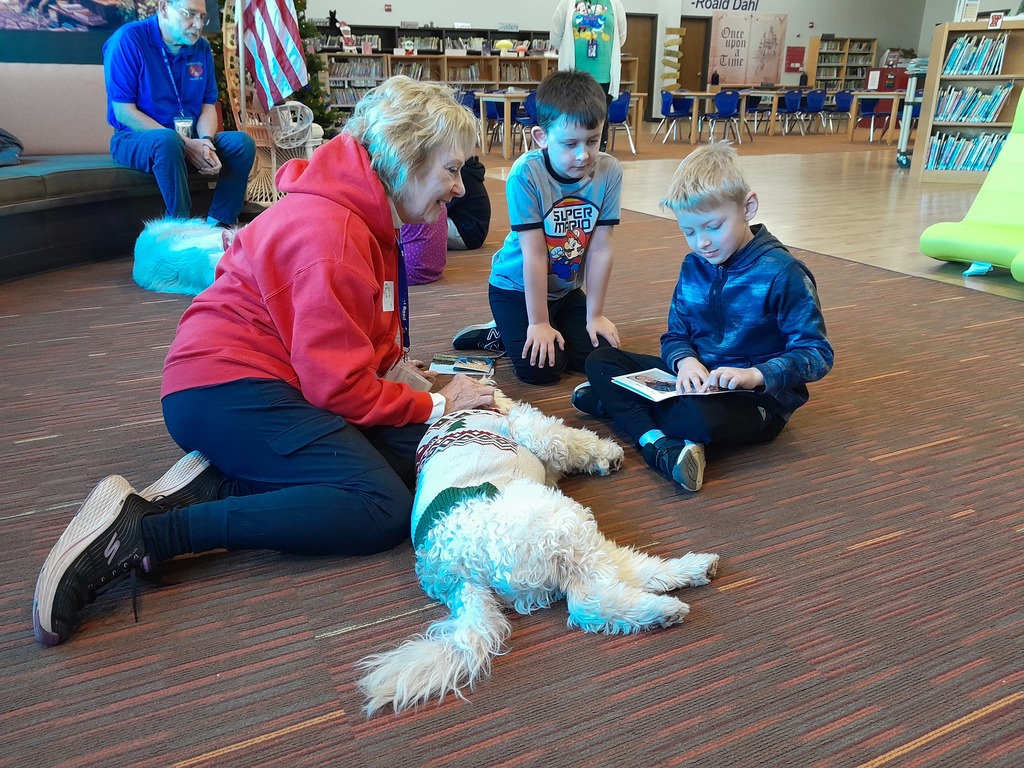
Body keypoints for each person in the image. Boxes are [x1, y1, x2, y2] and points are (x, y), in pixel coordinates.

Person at [32, 76, 497, 646]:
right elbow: (339, 386)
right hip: (225, 386)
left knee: (414, 453)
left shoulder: (362, 214)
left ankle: (221, 477)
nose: (457, 188)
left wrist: (416, 385)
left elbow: (359, 342)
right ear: (406, 156)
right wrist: (432, 401)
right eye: (451, 169)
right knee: (380, 508)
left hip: (266, 381)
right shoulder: (333, 231)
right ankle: (150, 532)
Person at [572, 143, 834, 491]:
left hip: (757, 400)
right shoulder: (693, 266)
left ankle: (621, 410)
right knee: (602, 360)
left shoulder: (783, 273)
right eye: (689, 231)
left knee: (697, 420)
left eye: (713, 226)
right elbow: (675, 335)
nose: (702, 243)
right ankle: (657, 442)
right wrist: (686, 362)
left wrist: (753, 375)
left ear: (748, 208)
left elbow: (817, 354)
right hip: (697, 380)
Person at [453, 69, 622, 385]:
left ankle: (549, 323)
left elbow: (601, 248)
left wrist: (595, 315)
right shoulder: (525, 173)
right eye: (569, 144)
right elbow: (534, 254)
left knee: (597, 358)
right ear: (541, 138)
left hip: (564, 291)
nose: (583, 154)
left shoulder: (609, 171)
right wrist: (538, 322)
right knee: (541, 371)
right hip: (514, 287)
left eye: (593, 140)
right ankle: (501, 330)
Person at [102, 0, 256, 226]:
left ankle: (219, 226)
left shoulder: (201, 48)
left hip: (189, 139)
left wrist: (204, 141)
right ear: (163, 7)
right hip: (134, 138)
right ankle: (180, 228)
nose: (197, 24)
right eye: (190, 14)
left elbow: (207, 107)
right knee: (168, 140)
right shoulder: (128, 40)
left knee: (241, 143)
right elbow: (124, 112)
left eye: (202, 17)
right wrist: (185, 143)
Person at [550, 0, 627, 152]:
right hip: (574, 75)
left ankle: (598, 156)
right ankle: (572, 154)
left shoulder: (614, 4)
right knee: (572, 118)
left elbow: (621, 37)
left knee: (599, 120)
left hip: (604, 76)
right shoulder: (567, 3)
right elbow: (556, 37)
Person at [446, 155, 491, 251]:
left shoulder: (462, 175)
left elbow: (444, 208)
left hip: (467, 233)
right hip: (472, 231)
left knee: (418, 221)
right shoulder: (468, 171)